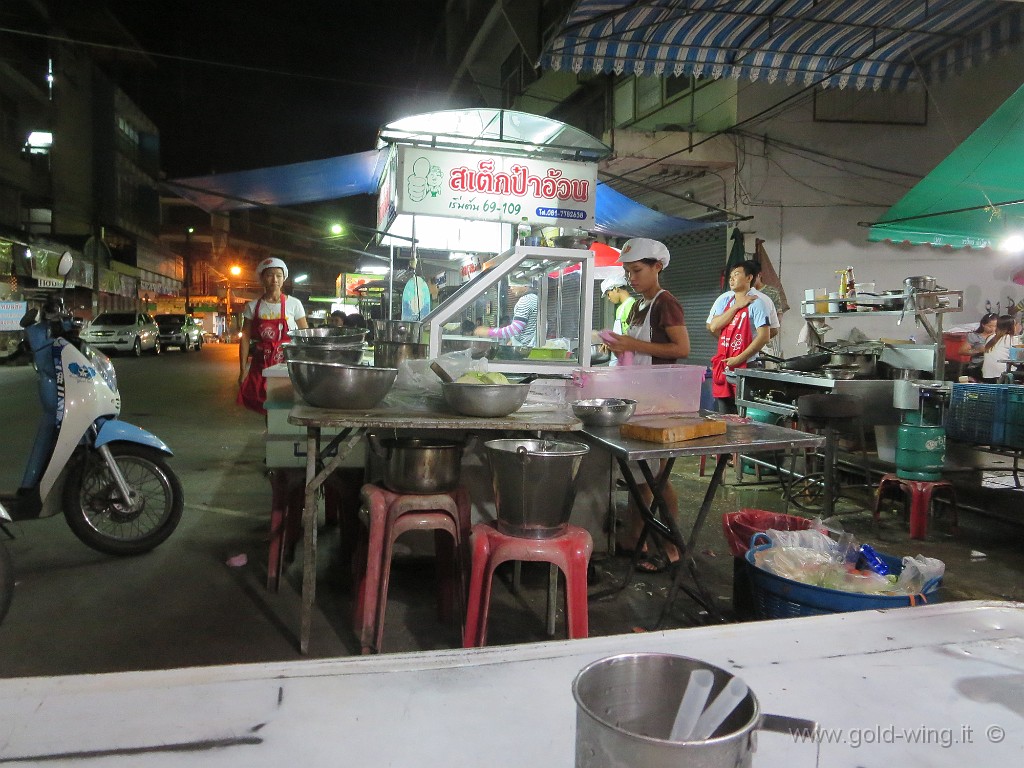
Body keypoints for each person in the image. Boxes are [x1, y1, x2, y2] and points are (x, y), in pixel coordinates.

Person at [601, 238, 690, 572]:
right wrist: (619, 347)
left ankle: (672, 546)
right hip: (641, 396)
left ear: (658, 267)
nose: (631, 278)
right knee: (641, 476)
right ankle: (633, 538)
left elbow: (681, 347)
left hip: (661, 400)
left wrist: (630, 342)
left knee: (657, 477)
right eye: (628, 272)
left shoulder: (667, 303)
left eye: (637, 270)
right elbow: (639, 350)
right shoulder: (641, 305)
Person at [237, 257, 309, 415]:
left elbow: (305, 335)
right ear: (262, 278)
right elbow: (245, 339)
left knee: (287, 402)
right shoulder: (252, 306)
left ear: (284, 278)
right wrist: (243, 370)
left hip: (287, 362)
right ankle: (271, 433)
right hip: (260, 363)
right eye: (269, 275)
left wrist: (305, 365)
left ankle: (285, 436)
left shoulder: (294, 304)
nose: (274, 279)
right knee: (266, 404)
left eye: (278, 275)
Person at [707, 260, 772, 414]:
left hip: (745, 366)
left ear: (749, 278)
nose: (731, 279)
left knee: (743, 417)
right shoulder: (725, 301)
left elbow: (764, 336)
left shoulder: (758, 304)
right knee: (724, 416)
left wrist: (739, 358)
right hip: (724, 365)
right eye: (730, 276)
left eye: (736, 274)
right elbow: (714, 326)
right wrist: (737, 306)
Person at [473, 280, 539, 347]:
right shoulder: (534, 298)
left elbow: (515, 329)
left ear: (525, 285)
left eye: (514, 284)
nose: (511, 288)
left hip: (525, 348)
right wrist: (512, 340)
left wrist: (489, 332)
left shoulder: (526, 300)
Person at [600, 274, 636, 366]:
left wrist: (612, 341)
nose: (609, 298)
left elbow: (632, 333)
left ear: (616, 289)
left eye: (608, 294)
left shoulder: (631, 304)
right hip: (619, 355)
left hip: (628, 356)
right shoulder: (620, 308)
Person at [962, 312, 998, 380]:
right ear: (983, 325)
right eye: (990, 326)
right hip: (977, 366)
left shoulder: (999, 337)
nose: (993, 329)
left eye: (995, 326)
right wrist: (978, 350)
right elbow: (962, 351)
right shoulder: (974, 336)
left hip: (993, 367)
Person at [981, 315, 1017, 383]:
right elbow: (1017, 359)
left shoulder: (990, 337)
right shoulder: (1011, 339)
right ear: (1011, 327)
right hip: (1003, 375)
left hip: (987, 375)